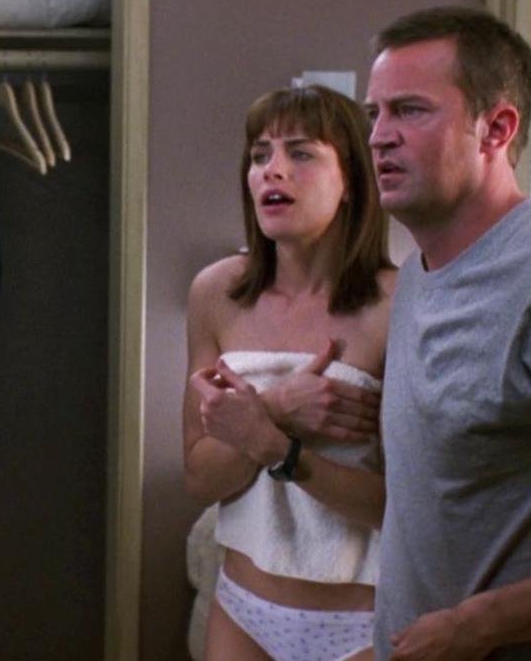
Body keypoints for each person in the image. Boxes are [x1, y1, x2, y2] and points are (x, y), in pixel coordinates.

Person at [364, 6, 531, 660]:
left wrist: (479, 624)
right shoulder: (417, 274)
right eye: (373, 113)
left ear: (496, 128)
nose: (378, 136)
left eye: (409, 110)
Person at [183, 84, 396, 661]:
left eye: (301, 153)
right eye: (260, 156)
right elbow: (200, 479)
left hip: (360, 623)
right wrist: (277, 409)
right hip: (242, 610)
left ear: (352, 180)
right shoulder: (215, 294)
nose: (272, 170)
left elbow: (402, 511)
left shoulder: (398, 305)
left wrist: (276, 445)